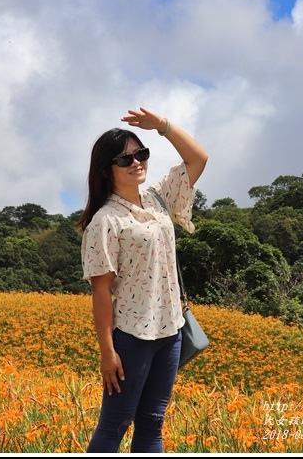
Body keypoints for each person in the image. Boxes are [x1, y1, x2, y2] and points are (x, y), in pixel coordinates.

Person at [78, 107, 208, 453]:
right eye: (125, 159)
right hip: (132, 337)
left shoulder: (159, 199)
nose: (136, 162)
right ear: (107, 170)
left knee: (152, 421)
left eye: (141, 154)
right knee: (114, 426)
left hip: (170, 332)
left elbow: (198, 159)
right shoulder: (105, 221)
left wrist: (162, 126)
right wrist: (108, 352)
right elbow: (101, 291)